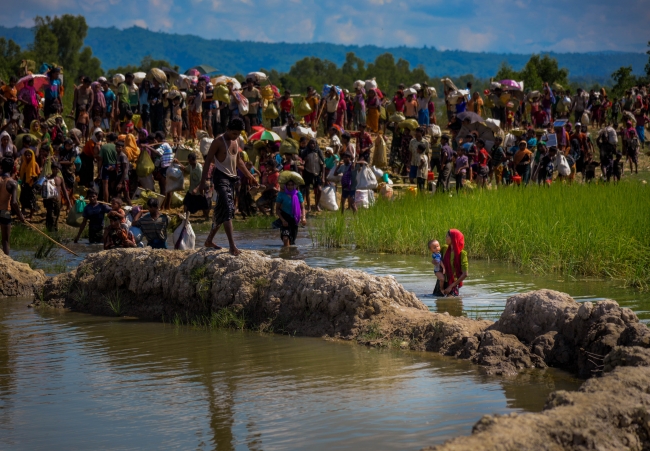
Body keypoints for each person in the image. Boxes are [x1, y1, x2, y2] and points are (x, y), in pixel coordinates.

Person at [199, 118, 258, 255]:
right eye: (233, 134)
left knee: (221, 211)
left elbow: (238, 161)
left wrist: (250, 176)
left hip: (231, 180)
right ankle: (232, 246)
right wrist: (203, 182)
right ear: (228, 129)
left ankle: (209, 240)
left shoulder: (236, 141)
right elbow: (208, 160)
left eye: (238, 134)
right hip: (220, 178)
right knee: (228, 209)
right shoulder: (218, 142)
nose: (235, 136)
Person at [0, 157, 25, 255]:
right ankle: (7, 262)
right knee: (5, 241)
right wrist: (20, 215)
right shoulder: (12, 183)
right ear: (12, 169)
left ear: (1, 167)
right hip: (5, 212)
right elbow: (14, 202)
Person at [434, 229, 468, 297]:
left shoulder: (462, 254)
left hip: (453, 283)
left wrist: (450, 287)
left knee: (451, 301)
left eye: (447, 236)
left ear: (453, 238)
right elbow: (436, 259)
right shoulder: (444, 248)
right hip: (442, 281)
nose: (445, 238)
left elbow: (465, 274)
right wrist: (434, 262)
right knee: (438, 303)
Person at [275, 179, 306, 247]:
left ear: (294, 186)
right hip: (285, 218)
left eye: (292, 185)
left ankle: (289, 255)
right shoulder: (281, 195)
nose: (290, 186)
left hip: (295, 220)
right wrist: (283, 220)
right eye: (288, 185)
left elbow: (302, 207)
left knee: (292, 241)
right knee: (285, 238)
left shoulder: (298, 194)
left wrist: (303, 217)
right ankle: (286, 254)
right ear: (285, 186)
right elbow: (277, 209)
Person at [42, 162, 70, 231]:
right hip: (49, 200)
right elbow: (40, 186)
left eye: (57, 169)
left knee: (56, 216)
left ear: (58, 170)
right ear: (51, 169)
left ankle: (55, 230)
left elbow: (64, 191)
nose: (55, 170)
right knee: (50, 216)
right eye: (54, 169)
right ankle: (49, 230)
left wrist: (69, 202)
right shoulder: (47, 177)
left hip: (57, 201)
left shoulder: (60, 179)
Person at [300, 138, 325, 212]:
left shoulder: (319, 152)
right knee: (307, 190)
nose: (312, 145)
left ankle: (317, 205)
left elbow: (323, 165)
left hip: (317, 173)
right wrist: (304, 161)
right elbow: (301, 162)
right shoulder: (305, 152)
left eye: (314, 143)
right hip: (308, 172)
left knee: (319, 189)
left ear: (316, 144)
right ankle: (308, 206)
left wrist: (323, 177)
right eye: (311, 143)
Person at [18, 149, 40, 220]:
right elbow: (21, 173)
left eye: (29, 155)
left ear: (32, 156)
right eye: (26, 155)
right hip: (24, 184)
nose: (27, 157)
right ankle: (23, 211)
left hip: (31, 184)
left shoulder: (35, 164)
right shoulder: (23, 164)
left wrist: (35, 176)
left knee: (32, 200)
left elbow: (38, 174)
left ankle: (31, 215)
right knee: (22, 198)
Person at [98, 132, 118, 202]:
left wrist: (99, 170)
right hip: (114, 167)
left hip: (106, 166)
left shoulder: (103, 147)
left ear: (108, 139)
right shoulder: (117, 147)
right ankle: (114, 202)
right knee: (113, 186)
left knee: (105, 186)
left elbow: (100, 160)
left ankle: (106, 202)